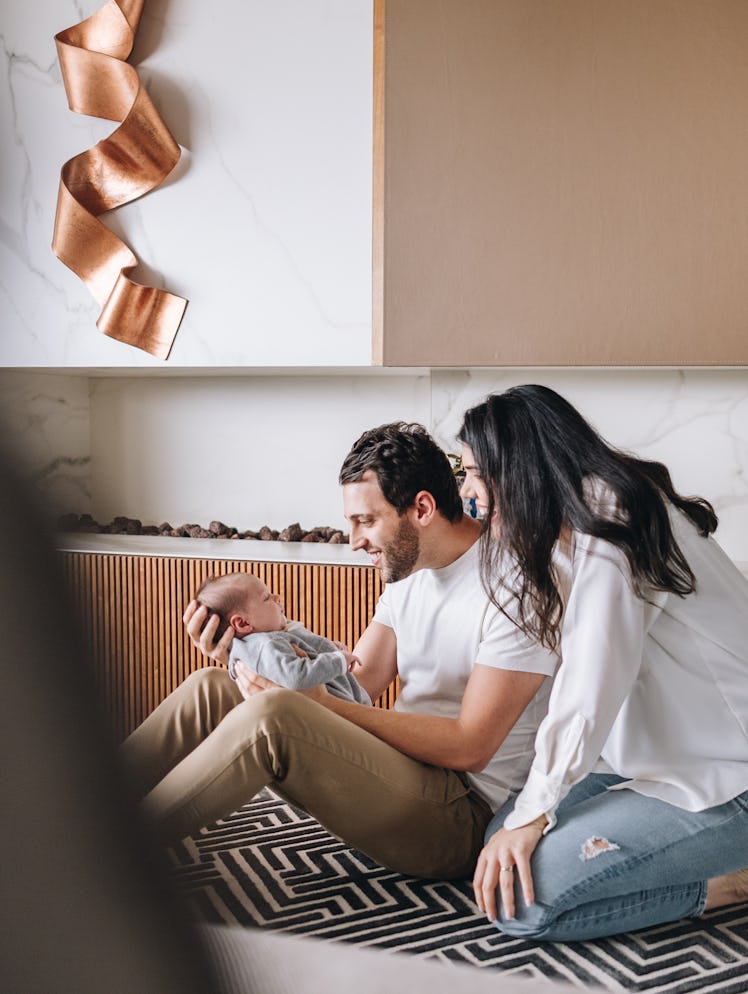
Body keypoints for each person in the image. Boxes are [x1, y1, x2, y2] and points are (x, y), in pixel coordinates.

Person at [119, 422, 558, 879]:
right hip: (402, 776)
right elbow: (360, 681)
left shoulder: (514, 587)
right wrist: (244, 655)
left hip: (460, 816)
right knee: (213, 686)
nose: (354, 542)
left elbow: (472, 747)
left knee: (274, 718)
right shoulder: (411, 572)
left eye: (366, 521)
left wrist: (316, 705)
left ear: (422, 508)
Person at [458, 384, 748, 940]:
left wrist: (539, 812)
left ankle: (729, 883)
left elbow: (591, 682)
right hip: (646, 761)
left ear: (518, 467)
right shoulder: (571, 529)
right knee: (500, 843)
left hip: (728, 774)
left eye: (473, 473)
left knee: (520, 901)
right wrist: (529, 815)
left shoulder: (614, 519)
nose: (467, 492)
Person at [195, 571, 371, 704]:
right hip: (339, 716)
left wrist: (327, 648)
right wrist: (338, 661)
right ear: (242, 623)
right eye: (267, 597)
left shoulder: (267, 638)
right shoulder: (267, 645)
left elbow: (302, 649)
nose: (276, 597)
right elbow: (296, 676)